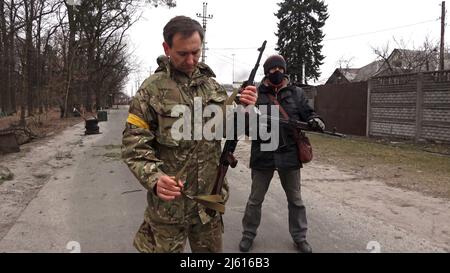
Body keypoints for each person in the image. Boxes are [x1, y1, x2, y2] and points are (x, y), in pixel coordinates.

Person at [121, 15, 257, 253]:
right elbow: (134, 145)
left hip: (208, 207)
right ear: (167, 48)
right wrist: (153, 178)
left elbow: (228, 130)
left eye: (196, 52)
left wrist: (247, 109)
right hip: (169, 212)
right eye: (183, 54)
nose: (191, 60)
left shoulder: (213, 87)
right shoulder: (150, 91)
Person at [239, 55, 325, 253]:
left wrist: (316, 120)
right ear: (266, 72)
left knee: (295, 200)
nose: (276, 71)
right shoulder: (256, 93)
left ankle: (300, 237)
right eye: (272, 68)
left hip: (290, 154)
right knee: (255, 199)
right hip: (263, 152)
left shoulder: (296, 93)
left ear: (284, 70)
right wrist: (244, 106)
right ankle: (248, 235)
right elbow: (244, 123)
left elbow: (309, 113)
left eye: (279, 67)